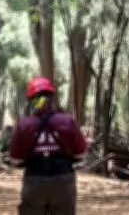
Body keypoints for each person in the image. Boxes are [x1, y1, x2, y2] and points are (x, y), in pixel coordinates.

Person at [10, 77, 87, 215]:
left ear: (31, 100)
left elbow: (15, 160)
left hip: (34, 181)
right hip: (63, 181)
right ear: (52, 99)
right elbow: (81, 154)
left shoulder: (24, 125)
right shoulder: (67, 121)